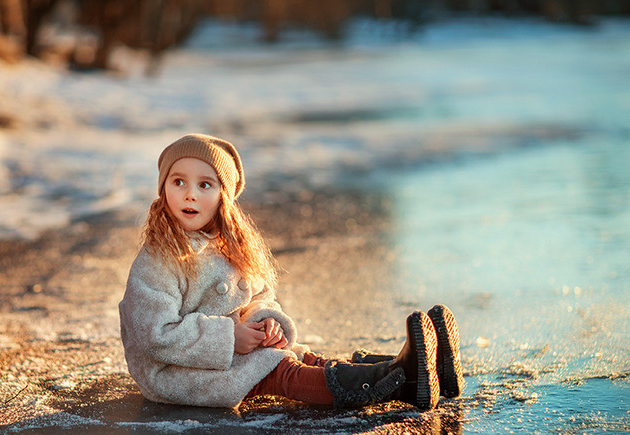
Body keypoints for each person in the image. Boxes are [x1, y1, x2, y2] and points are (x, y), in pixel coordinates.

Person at [118, 133, 463, 411]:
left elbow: (259, 295)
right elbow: (155, 333)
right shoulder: (158, 260)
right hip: (178, 372)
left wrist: (265, 321)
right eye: (178, 182)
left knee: (300, 356)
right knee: (281, 372)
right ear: (163, 188)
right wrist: (228, 338)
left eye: (204, 185)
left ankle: (424, 368)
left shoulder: (229, 245)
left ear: (224, 196)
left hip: (222, 355)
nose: (190, 194)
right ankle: (396, 382)